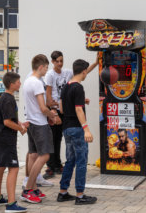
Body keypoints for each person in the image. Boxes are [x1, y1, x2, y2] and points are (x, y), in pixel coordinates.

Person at [44, 51, 98, 179]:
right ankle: (51, 165)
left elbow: (82, 73)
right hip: (56, 110)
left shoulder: (68, 74)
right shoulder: (50, 75)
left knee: (64, 143)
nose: (60, 63)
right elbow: (48, 93)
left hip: (64, 109)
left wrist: (95, 63)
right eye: (57, 61)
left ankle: (58, 166)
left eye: (61, 60)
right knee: (54, 139)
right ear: (52, 62)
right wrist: (53, 111)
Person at [56, 59, 97, 205]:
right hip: (77, 129)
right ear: (84, 71)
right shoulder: (78, 88)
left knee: (70, 161)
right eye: (86, 72)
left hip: (66, 128)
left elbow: (61, 109)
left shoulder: (66, 87)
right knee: (81, 161)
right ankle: (80, 195)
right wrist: (86, 129)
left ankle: (63, 192)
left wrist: (80, 101)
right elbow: (78, 109)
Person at [21, 54, 60, 204]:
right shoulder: (37, 83)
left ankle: (33, 188)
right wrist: (53, 116)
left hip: (31, 121)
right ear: (41, 67)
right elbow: (43, 108)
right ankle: (28, 190)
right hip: (39, 123)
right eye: (46, 68)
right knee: (45, 156)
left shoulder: (27, 81)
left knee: (34, 154)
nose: (47, 71)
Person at [0, 72, 28, 212]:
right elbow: (7, 122)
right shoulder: (8, 99)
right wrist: (20, 129)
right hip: (6, 140)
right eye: (18, 82)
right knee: (14, 168)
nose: (20, 84)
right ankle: (11, 204)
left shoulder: (6, 97)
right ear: (12, 84)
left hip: (0, 138)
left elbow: (10, 118)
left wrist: (21, 124)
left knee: (0, 166)